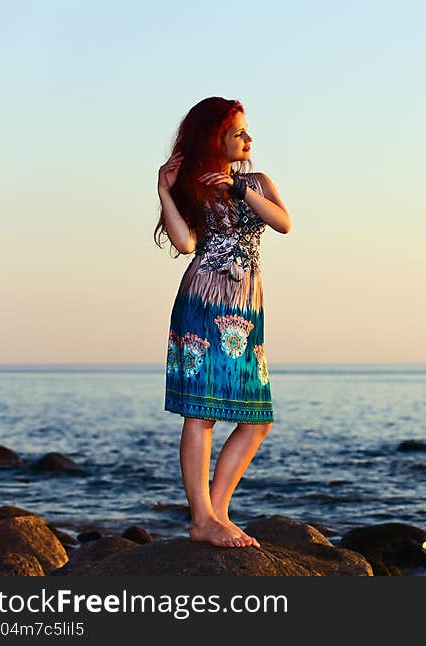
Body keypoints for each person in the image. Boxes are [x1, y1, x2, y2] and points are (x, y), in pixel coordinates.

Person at [154, 97, 291, 548]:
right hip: (203, 303)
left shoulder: (256, 181)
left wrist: (239, 191)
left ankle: (216, 512)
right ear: (216, 138)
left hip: (247, 311)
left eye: (247, 131)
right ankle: (203, 519)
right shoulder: (192, 186)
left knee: (256, 419)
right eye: (239, 132)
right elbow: (186, 241)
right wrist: (164, 190)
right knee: (202, 413)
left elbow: (284, 223)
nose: (249, 139)